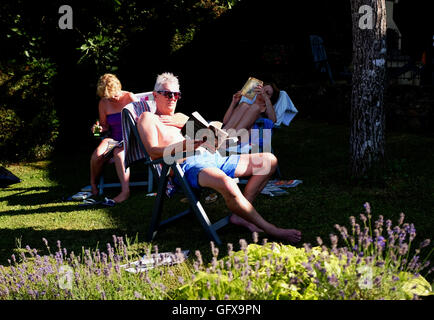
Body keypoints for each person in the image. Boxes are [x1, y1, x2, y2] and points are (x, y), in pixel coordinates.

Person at [136, 72, 301, 243]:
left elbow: (203, 136)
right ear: (155, 95)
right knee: (227, 183)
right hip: (189, 166)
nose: (172, 98)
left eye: (176, 94)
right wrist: (185, 145)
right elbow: (153, 151)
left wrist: (209, 137)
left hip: (213, 155)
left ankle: (240, 215)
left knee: (268, 161)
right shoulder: (148, 118)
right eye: (167, 94)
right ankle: (272, 230)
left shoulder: (180, 118)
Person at [90, 73, 136, 203]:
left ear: (118, 88)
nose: (112, 99)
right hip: (114, 139)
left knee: (118, 152)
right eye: (109, 98)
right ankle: (93, 184)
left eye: (114, 95)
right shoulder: (104, 103)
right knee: (98, 154)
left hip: (132, 138)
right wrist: (97, 130)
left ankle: (125, 191)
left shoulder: (129, 97)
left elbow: (142, 122)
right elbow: (104, 127)